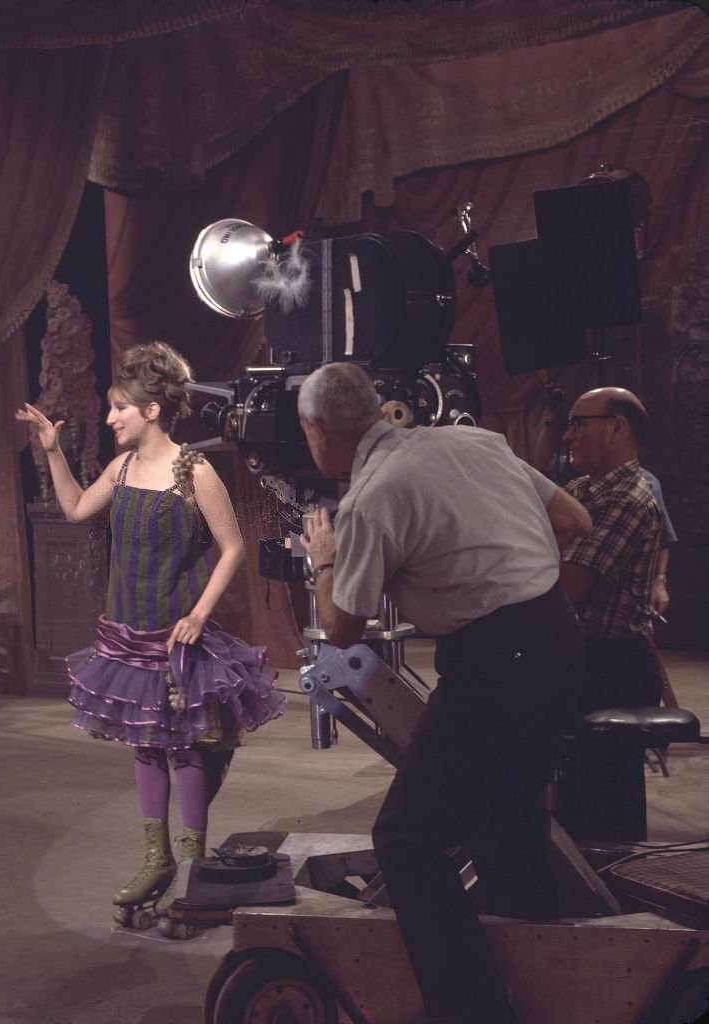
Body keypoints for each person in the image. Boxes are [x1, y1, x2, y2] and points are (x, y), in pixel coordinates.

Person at [298, 362, 591, 1024]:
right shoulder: (474, 441)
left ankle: (471, 1011)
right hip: (557, 639)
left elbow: (344, 627)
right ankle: (546, 982)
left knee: (405, 836)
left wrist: (323, 557)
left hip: (495, 663)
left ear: (318, 431)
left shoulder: (369, 500)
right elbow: (576, 519)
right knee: (508, 819)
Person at [16, 341, 285, 931]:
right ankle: (156, 858)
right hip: (125, 633)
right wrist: (54, 453)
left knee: (185, 744)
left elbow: (235, 547)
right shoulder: (121, 469)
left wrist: (198, 614)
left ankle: (189, 871)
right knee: (146, 744)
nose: (110, 418)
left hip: (175, 636)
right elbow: (77, 510)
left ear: (152, 411)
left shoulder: (195, 471)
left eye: (120, 409)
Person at [555, 387, 664, 839]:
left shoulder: (631, 498)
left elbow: (569, 588)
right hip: (583, 655)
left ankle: (603, 881)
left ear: (618, 427)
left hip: (611, 664)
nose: (568, 435)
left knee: (598, 797)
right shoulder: (581, 489)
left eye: (580, 423)